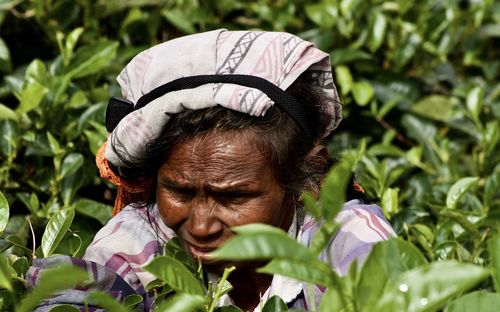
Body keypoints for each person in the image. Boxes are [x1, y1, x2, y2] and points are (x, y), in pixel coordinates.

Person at [27, 29, 395, 311]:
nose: (201, 227)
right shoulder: (136, 244)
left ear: (304, 177)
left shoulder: (349, 242)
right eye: (180, 192)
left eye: (233, 196)